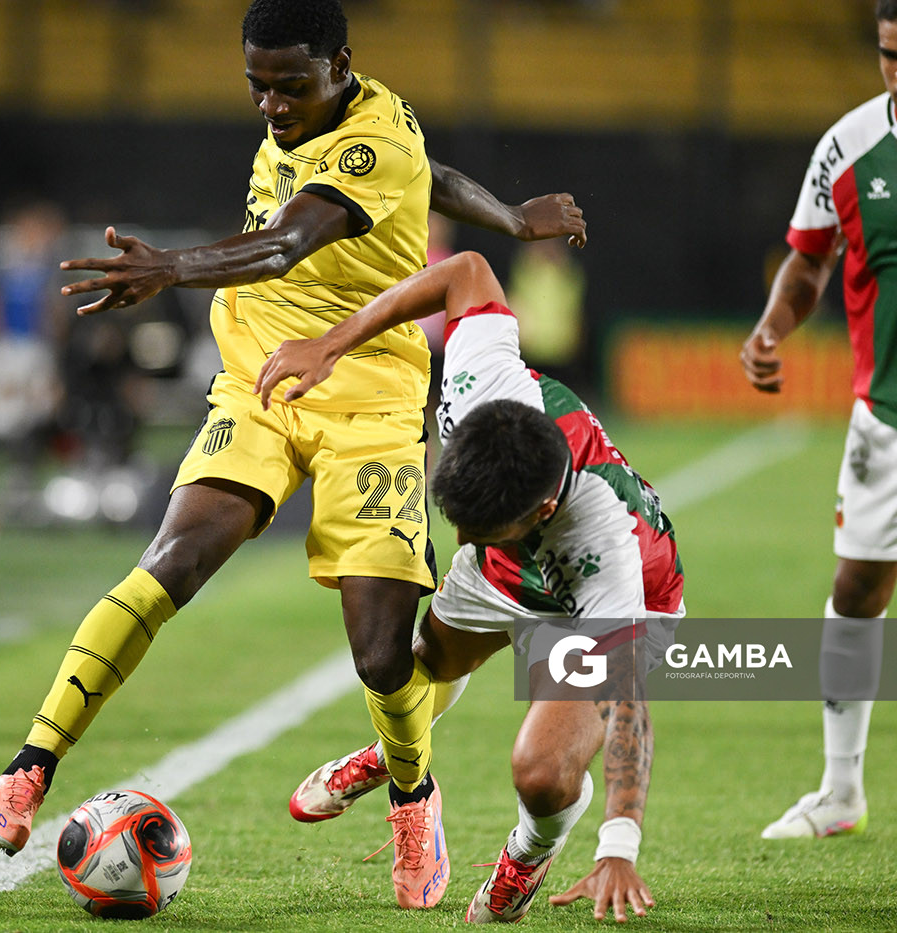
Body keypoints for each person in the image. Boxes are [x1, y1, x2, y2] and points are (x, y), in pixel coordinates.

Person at [0, 0, 586, 911]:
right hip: (260, 380)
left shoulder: (369, 144)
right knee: (170, 562)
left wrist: (171, 269)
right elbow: (433, 174)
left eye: (290, 86)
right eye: (258, 86)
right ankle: (29, 765)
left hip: (370, 399)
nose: (272, 106)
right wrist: (509, 216)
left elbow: (288, 242)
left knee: (381, 651)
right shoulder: (357, 108)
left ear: (340, 64)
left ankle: (413, 792)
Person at [255, 249, 683, 924]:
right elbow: (467, 270)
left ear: (541, 511)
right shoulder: (483, 378)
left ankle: (530, 852)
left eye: (479, 528)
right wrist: (331, 344)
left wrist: (619, 844)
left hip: (600, 605)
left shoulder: (606, 549)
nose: (461, 535)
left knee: (541, 772)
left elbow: (627, 707)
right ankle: (393, 754)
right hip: (508, 567)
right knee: (419, 666)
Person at [739, 0, 897, 840]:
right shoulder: (847, 146)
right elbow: (808, 262)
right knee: (857, 590)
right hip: (890, 413)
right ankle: (840, 793)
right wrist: (771, 328)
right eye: (889, 55)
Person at [0, 201, 66, 472]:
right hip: (4, 342)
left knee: (38, 398)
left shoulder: (48, 266)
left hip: (35, 343)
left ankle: (31, 443)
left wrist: (54, 342)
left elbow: (53, 310)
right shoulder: (2, 262)